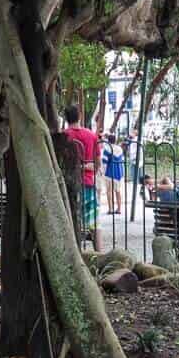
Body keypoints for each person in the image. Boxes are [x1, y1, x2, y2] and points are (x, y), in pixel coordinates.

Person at [64, 104, 102, 251]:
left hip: (69, 184)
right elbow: (97, 162)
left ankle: (74, 252)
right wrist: (89, 168)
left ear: (66, 118)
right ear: (80, 115)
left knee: (71, 219)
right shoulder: (91, 136)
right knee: (94, 221)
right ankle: (99, 254)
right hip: (88, 182)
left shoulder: (64, 136)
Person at [103, 135, 125, 214]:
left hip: (109, 172)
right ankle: (119, 209)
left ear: (108, 140)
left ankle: (111, 209)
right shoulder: (120, 149)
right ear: (115, 140)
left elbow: (104, 162)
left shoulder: (107, 148)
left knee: (109, 191)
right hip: (119, 173)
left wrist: (103, 173)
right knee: (118, 191)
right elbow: (122, 160)